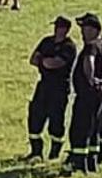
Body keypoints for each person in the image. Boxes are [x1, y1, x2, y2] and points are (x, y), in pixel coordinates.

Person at [65, 13, 102, 175]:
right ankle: (92, 160)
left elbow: (88, 62)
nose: (82, 32)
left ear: (94, 29)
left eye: (85, 29)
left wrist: (91, 79)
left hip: (89, 92)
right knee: (95, 126)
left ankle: (79, 162)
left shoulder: (91, 46)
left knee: (80, 126)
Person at [26, 16, 77, 161]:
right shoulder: (47, 41)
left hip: (59, 87)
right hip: (44, 84)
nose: (56, 29)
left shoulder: (69, 47)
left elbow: (55, 63)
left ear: (66, 29)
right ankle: (36, 151)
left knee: (56, 119)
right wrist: (45, 62)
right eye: (56, 26)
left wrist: (42, 61)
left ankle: (54, 152)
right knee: (35, 115)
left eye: (59, 27)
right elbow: (33, 59)